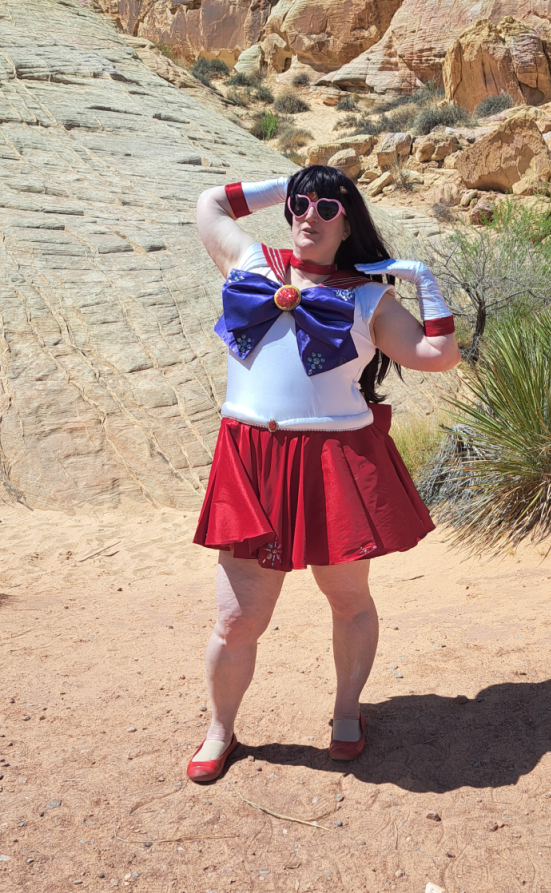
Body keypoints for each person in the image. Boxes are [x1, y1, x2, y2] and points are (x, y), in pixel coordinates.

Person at [187, 165, 460, 781]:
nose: (310, 214)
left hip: (333, 460)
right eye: (300, 203)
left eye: (328, 207)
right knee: (237, 620)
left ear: (347, 225)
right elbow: (210, 202)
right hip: (252, 458)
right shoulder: (250, 260)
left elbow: (438, 357)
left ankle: (346, 711)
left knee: (348, 599)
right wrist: (288, 176)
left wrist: (422, 280)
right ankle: (220, 729)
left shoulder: (368, 297)